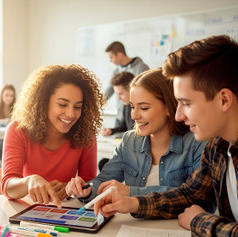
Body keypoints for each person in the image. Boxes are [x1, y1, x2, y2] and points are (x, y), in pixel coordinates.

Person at [94, 35, 238, 237]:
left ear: (224, 99)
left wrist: (199, 220)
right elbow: (191, 195)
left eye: (186, 103)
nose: (178, 115)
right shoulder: (219, 144)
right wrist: (132, 203)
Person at [66, 68, 207, 202]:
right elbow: (103, 181)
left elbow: (196, 196)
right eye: (132, 107)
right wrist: (86, 190)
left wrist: (130, 192)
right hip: (132, 225)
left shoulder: (196, 143)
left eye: (144, 108)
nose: (134, 115)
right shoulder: (129, 140)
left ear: (169, 108)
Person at [1, 64, 105, 208]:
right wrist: (29, 181)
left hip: (65, 210)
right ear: (43, 102)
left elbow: (89, 184)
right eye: (62, 104)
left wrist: (72, 189)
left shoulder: (86, 134)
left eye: (77, 107)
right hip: (26, 209)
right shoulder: (18, 130)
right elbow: (8, 187)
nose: (71, 114)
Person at [103, 41, 150, 135]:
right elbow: (109, 90)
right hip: (122, 114)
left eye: (111, 57)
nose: (110, 60)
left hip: (136, 112)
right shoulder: (116, 71)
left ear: (119, 55)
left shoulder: (141, 68)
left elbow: (146, 91)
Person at [99, 72, 136, 171]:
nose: (119, 98)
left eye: (121, 94)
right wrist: (112, 131)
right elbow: (124, 126)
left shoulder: (140, 107)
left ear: (131, 89)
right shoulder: (126, 105)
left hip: (135, 150)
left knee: (106, 164)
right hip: (129, 145)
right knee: (104, 163)